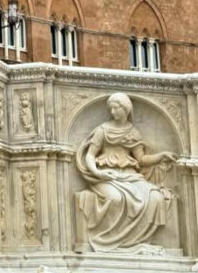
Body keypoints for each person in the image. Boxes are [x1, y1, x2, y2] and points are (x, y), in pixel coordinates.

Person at [75, 92, 175, 253]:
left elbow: (141, 159)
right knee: (115, 198)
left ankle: (135, 242)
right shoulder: (103, 130)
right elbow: (90, 155)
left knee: (155, 196)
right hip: (106, 174)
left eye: (116, 108)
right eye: (111, 109)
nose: (113, 112)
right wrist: (98, 173)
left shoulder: (133, 132)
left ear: (126, 109)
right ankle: (109, 242)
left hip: (129, 175)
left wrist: (161, 156)